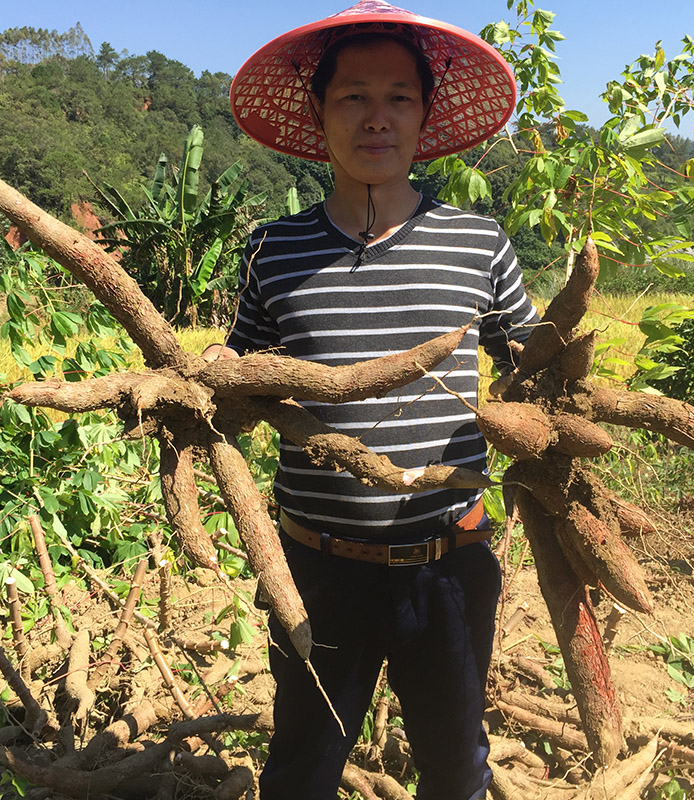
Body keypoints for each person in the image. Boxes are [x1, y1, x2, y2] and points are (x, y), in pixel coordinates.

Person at [205, 2, 538, 797]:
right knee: (301, 770)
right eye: (353, 95)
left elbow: (534, 371)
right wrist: (205, 376)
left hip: (449, 564)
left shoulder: (478, 243)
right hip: (317, 568)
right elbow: (240, 375)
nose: (376, 117)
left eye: (398, 97)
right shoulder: (271, 249)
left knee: (456, 769)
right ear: (320, 114)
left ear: (425, 116)